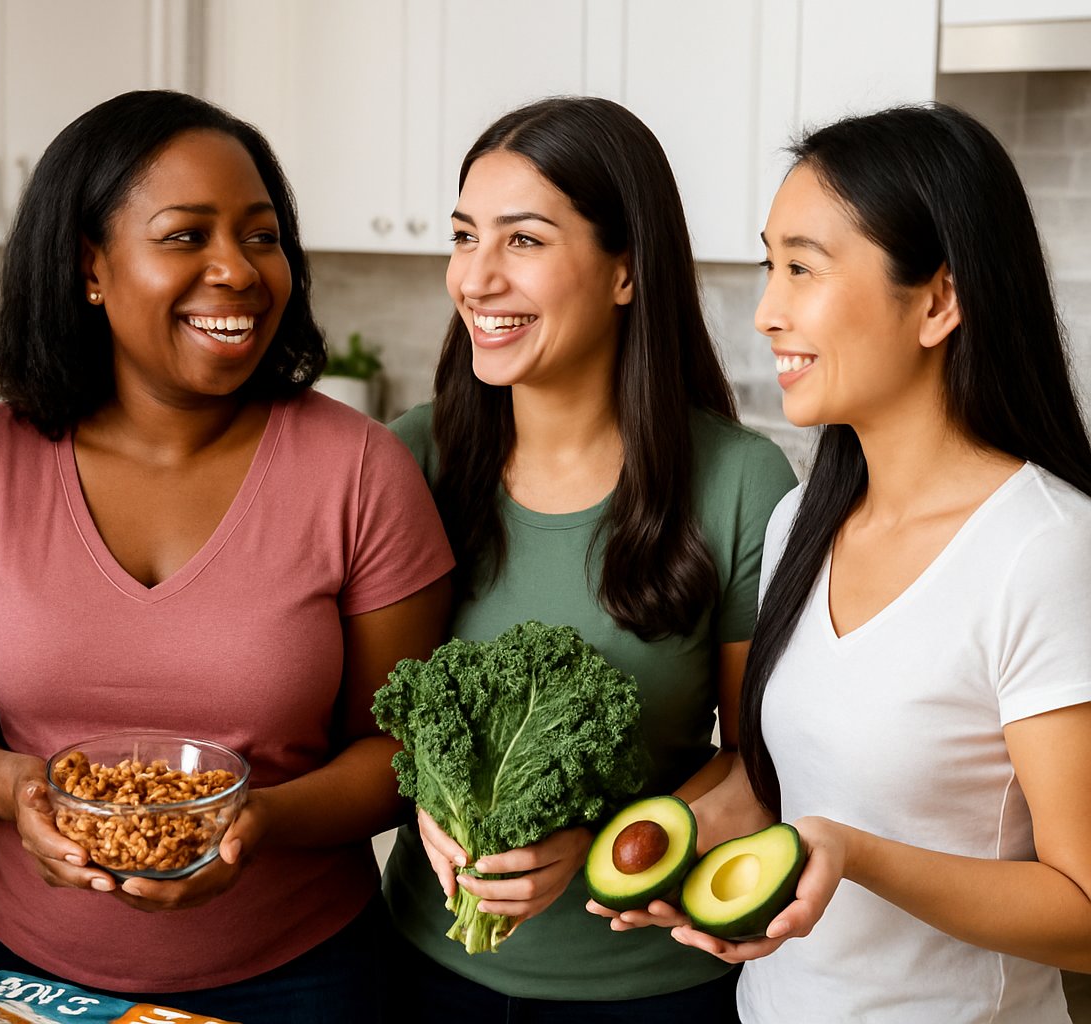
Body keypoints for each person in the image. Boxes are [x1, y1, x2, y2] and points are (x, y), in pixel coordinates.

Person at [0, 89, 452, 1023]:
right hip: (14, 967)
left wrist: (257, 825)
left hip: (299, 978)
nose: (238, 271)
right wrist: (16, 794)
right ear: (90, 266)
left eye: (261, 235)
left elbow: (400, 749)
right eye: (184, 236)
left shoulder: (360, 468)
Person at [595, 103, 1091, 1023]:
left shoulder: (1047, 549)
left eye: (803, 268)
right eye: (768, 263)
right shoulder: (801, 523)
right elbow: (793, 785)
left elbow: (1086, 909)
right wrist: (682, 840)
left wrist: (854, 854)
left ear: (939, 301)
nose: (767, 311)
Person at [381, 96, 796, 1020]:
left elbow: (763, 770)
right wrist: (426, 802)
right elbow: (372, 722)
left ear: (625, 271)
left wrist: (599, 842)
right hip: (421, 976)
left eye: (522, 241)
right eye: (463, 236)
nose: (477, 278)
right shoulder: (408, 461)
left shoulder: (739, 484)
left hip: (652, 989)